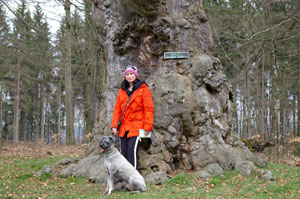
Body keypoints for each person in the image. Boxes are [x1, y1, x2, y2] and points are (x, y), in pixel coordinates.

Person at [111, 65, 154, 169]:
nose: (129, 76)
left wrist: (148, 126)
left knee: (131, 151)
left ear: (135, 75)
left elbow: (148, 108)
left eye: (131, 74)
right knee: (123, 153)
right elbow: (117, 109)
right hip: (124, 127)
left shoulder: (143, 89)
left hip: (137, 126)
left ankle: (132, 179)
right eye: (127, 74)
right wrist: (114, 125)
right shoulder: (122, 90)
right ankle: (124, 178)